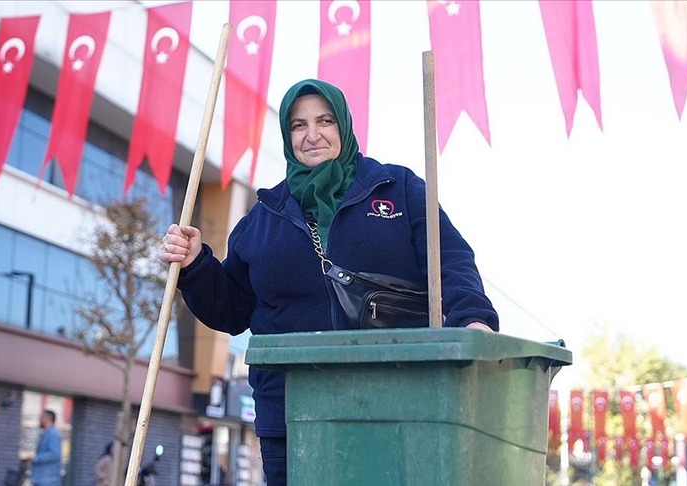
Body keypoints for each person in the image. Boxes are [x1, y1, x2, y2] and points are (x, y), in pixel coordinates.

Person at [159, 79, 499, 485]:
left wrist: (474, 320)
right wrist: (196, 265)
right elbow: (232, 310)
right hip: (291, 412)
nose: (312, 134)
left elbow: (453, 261)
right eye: (299, 126)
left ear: (344, 126)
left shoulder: (399, 189)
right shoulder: (263, 218)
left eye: (324, 121)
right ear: (288, 137)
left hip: (396, 399)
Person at [27, 410, 62, 486]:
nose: (39, 420)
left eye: (42, 418)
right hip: (40, 478)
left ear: (48, 419)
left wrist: (36, 458)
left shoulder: (53, 434)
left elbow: (54, 454)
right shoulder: (45, 434)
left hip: (48, 479)